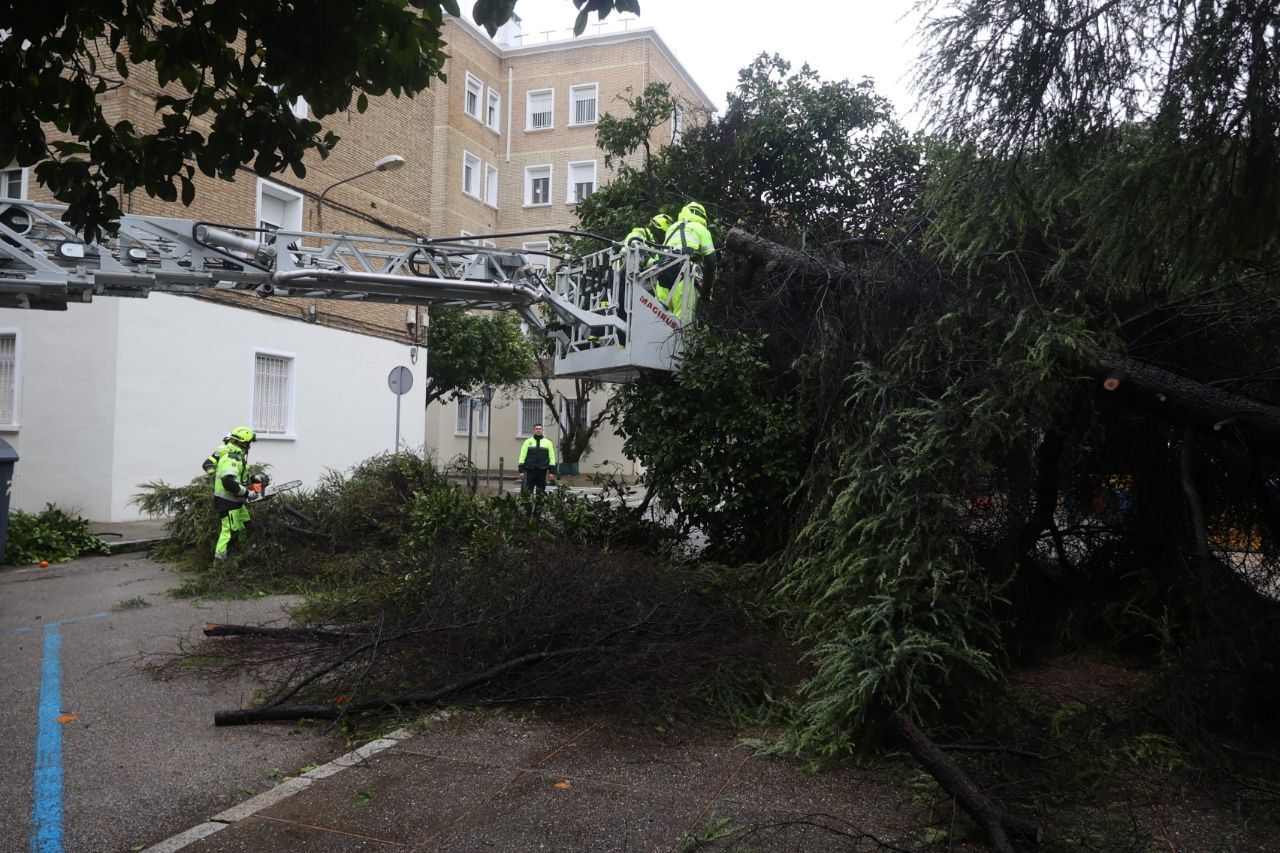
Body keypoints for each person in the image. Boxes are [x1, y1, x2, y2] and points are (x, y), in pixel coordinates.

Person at [660, 201, 716, 324]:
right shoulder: (701, 229)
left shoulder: (672, 228)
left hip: (662, 273)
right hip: (683, 274)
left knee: (658, 318)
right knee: (682, 324)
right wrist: (707, 289)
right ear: (703, 217)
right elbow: (711, 262)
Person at [212, 425, 262, 561]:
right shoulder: (231, 458)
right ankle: (220, 563)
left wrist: (255, 479)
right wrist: (248, 493)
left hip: (236, 502)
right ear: (242, 442)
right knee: (230, 533)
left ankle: (245, 555)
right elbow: (228, 482)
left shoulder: (238, 458)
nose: (249, 446)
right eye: (248, 443)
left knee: (248, 526)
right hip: (227, 503)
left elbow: (240, 477)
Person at [517, 423, 557, 513]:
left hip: (542, 472)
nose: (538, 430)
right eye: (536, 429)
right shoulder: (527, 442)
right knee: (528, 492)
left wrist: (551, 472)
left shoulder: (548, 443)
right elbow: (522, 456)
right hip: (530, 471)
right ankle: (528, 511)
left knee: (541, 494)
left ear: (542, 430)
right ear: (533, 430)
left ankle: (538, 513)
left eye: (540, 429)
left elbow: (552, 457)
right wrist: (521, 470)